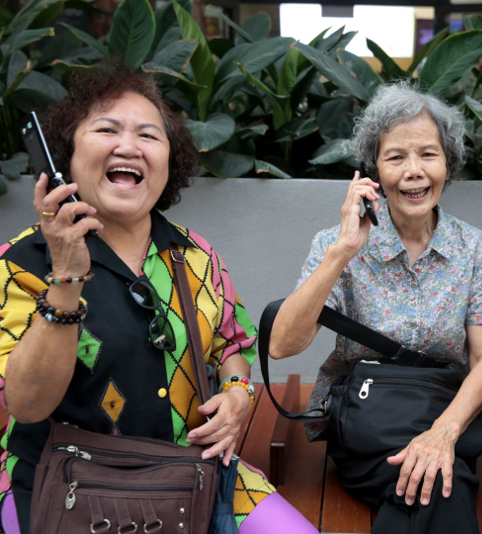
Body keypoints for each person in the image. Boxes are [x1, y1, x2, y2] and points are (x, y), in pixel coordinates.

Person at [0, 66, 317, 534]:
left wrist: (236, 395)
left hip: (190, 472)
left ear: (169, 162)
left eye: (149, 135)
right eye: (106, 129)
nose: (128, 146)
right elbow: (26, 405)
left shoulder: (196, 255)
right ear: (66, 156)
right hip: (59, 479)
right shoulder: (21, 263)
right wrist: (66, 274)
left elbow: (234, 344)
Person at [268, 81, 482, 533]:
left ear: (448, 165)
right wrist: (343, 249)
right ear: (373, 171)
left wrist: (442, 433)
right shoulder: (335, 244)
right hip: (365, 423)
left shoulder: (475, 248)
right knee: (443, 483)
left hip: (445, 416)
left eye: (428, 154)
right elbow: (282, 345)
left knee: (438, 478)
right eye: (396, 157)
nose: (413, 172)